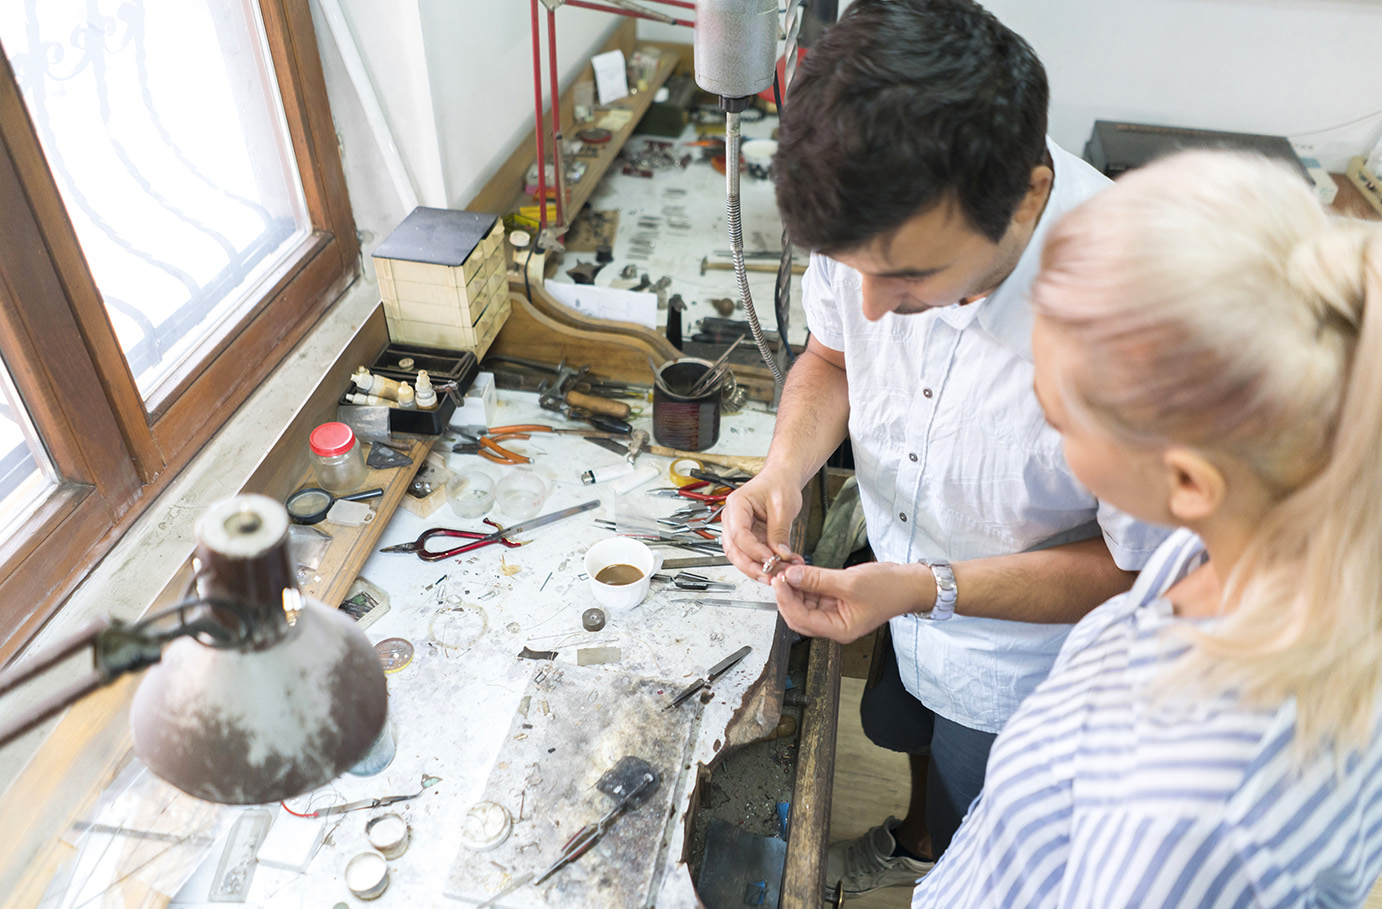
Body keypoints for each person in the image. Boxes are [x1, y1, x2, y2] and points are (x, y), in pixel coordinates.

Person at [719, 0, 1168, 896]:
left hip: (1025, 670)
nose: (876, 306)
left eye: (915, 275)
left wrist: (931, 588)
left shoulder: (1139, 334)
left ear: (1028, 195)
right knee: (907, 743)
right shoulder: (875, 218)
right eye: (858, 269)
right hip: (898, 593)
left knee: (986, 834)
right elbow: (831, 356)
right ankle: (916, 841)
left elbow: (1135, 572)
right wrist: (784, 469)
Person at [912, 149, 1382, 908]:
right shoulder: (1234, 547)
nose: (1049, 425)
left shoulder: (1191, 813)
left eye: (1060, 419)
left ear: (1190, 481)